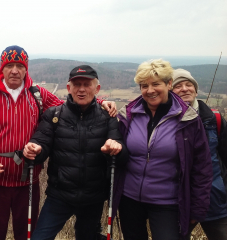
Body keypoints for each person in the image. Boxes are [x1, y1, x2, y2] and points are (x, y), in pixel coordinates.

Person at [0, 45, 116, 240]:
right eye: (9, 65)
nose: (14, 70)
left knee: (26, 235)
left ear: (26, 69)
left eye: (20, 65)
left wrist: (100, 101)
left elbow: (71, 107)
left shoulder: (37, 95)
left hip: (26, 181)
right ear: (1, 69)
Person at [23, 65, 128, 240]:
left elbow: (122, 156)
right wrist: (34, 148)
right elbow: (41, 142)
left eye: (87, 84)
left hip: (93, 198)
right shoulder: (54, 114)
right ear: (68, 88)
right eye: (76, 84)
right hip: (59, 195)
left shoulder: (107, 117)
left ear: (97, 88)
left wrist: (116, 149)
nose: (81, 89)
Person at [113, 59, 213, 240]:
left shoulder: (188, 119)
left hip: (167, 202)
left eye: (155, 84)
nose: (150, 90)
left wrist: (197, 208)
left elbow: (202, 168)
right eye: (144, 86)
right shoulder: (129, 115)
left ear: (168, 84)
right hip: (129, 199)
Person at [172, 68, 227, 240]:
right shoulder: (166, 122)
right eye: (178, 86)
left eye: (189, 85)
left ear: (196, 90)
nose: (184, 89)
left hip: (215, 199)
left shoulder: (214, 119)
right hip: (180, 200)